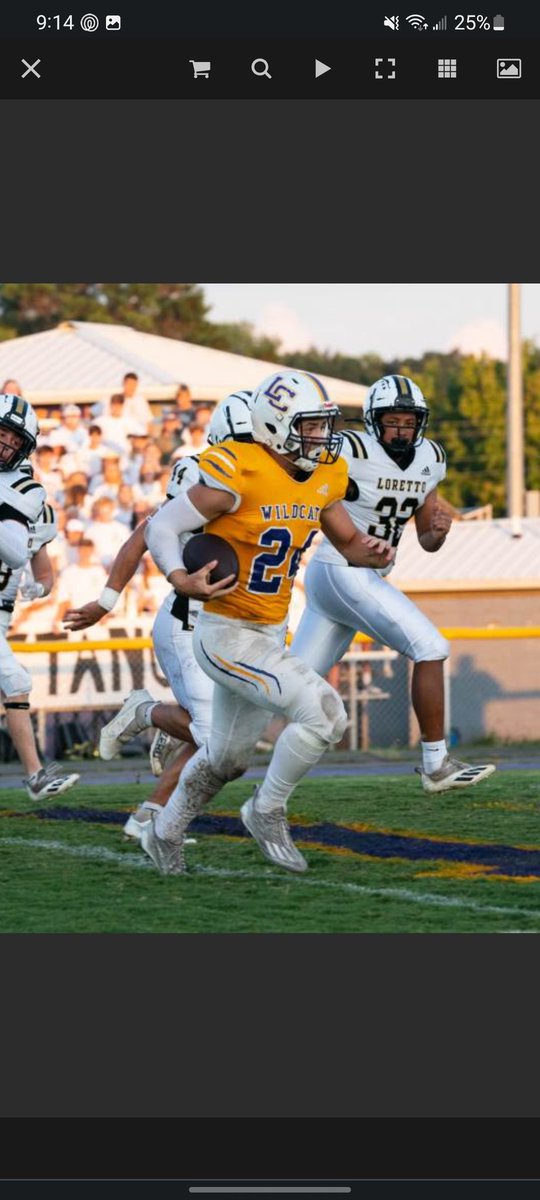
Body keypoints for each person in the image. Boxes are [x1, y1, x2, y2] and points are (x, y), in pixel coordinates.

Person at [137, 369, 394, 876]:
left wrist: (372, 550)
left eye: (324, 425)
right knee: (326, 713)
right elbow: (162, 526)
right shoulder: (239, 469)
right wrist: (178, 576)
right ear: (276, 426)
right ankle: (267, 808)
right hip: (225, 632)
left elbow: (347, 542)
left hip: (270, 629)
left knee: (227, 760)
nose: (322, 436)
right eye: (311, 426)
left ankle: (163, 833)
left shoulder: (322, 475)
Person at [290, 374, 496, 793]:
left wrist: (439, 530)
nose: (401, 429)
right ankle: (436, 764)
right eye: (393, 420)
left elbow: (426, 538)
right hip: (340, 566)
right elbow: (307, 481)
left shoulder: (431, 458)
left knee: (289, 685)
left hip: (357, 576)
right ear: (372, 420)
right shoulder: (349, 448)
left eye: (408, 421)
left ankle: (190, 726)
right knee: (431, 646)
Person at [63, 392, 255, 838]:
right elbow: (144, 536)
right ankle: (147, 712)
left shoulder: (276, 481)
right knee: (218, 742)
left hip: (233, 625)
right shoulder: (199, 473)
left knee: (221, 733)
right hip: (189, 621)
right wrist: (107, 601)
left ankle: (148, 817)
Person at [0, 392, 79, 798]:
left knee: (14, 681)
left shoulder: (28, 497)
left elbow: (43, 572)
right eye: (2, 434)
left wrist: (36, 588)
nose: (6, 445)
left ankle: (35, 774)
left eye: (15, 441)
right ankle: (35, 775)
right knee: (15, 679)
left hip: (1, 614)